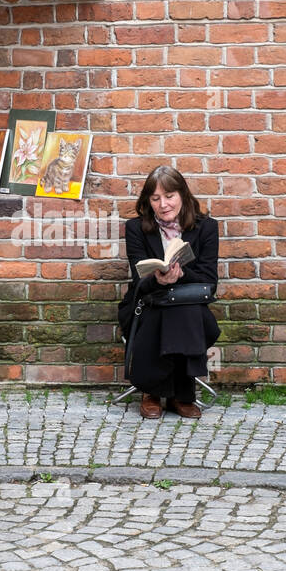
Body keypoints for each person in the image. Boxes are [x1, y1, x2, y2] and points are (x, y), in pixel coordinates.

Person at [117, 166, 220, 419]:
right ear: (148, 201)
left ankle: (171, 393)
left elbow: (209, 282)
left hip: (191, 306)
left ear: (182, 195)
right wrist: (159, 281)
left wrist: (182, 275)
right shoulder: (135, 228)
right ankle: (165, 392)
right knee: (161, 309)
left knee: (183, 309)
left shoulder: (205, 228)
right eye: (155, 199)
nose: (163, 204)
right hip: (146, 304)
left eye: (169, 196)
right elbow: (139, 279)